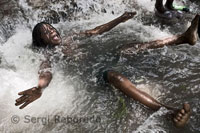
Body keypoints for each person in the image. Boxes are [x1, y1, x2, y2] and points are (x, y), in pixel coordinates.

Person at [15, 11, 199, 127]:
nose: (51, 31)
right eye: (45, 33)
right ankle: (167, 111)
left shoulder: (72, 36)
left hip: (102, 58)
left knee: (129, 46)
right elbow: (46, 71)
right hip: (92, 73)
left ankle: (182, 38)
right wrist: (40, 87)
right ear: (42, 41)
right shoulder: (50, 55)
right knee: (115, 77)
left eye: (50, 28)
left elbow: (97, 31)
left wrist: (119, 19)